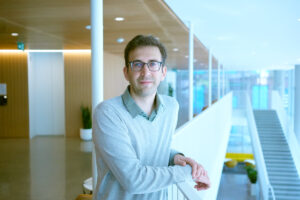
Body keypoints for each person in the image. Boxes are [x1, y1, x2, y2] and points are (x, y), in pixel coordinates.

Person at [92, 35, 210, 200]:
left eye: (153, 64)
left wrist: (176, 158)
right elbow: (133, 180)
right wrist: (189, 172)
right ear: (126, 72)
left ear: (163, 72)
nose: (145, 72)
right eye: (137, 64)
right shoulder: (108, 113)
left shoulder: (171, 107)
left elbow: (150, 148)